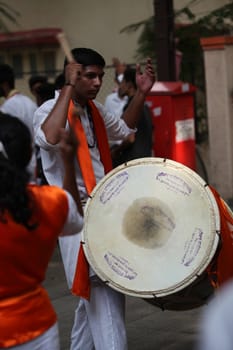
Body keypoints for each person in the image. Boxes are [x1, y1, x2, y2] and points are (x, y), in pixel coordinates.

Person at [33, 47, 155, 350]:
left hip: (106, 212)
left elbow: (125, 130)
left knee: (93, 300)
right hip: (77, 216)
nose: (98, 82)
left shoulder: (96, 110)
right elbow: (49, 137)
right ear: (72, 75)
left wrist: (140, 93)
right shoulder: (48, 109)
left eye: (101, 76)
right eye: (90, 76)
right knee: (104, 293)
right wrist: (68, 88)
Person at [0, 112, 84, 349]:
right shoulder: (48, 203)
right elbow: (75, 220)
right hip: (37, 328)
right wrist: (68, 162)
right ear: (29, 154)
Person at [0, 64, 37, 179]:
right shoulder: (28, 101)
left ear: (4, 84)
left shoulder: (8, 107)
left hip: (19, 165)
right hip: (33, 162)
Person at [111, 66, 153, 167]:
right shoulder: (144, 106)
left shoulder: (131, 108)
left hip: (133, 160)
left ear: (129, 85)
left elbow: (130, 138)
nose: (120, 86)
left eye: (122, 82)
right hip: (146, 156)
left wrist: (116, 151)